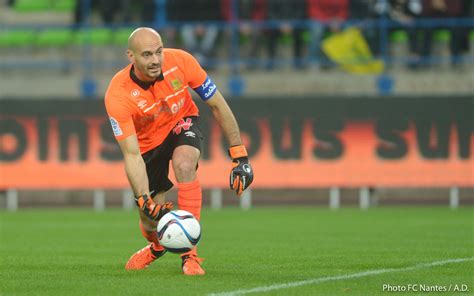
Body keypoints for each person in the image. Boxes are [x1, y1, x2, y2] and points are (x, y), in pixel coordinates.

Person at [104, 27, 254, 275]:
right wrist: (143, 199)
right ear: (131, 56)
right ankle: (156, 246)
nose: (155, 60)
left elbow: (217, 104)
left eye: (159, 52)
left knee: (185, 164)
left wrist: (240, 156)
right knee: (149, 220)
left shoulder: (182, 62)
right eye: (147, 55)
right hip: (146, 145)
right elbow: (131, 154)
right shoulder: (118, 95)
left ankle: (190, 256)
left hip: (180, 122)